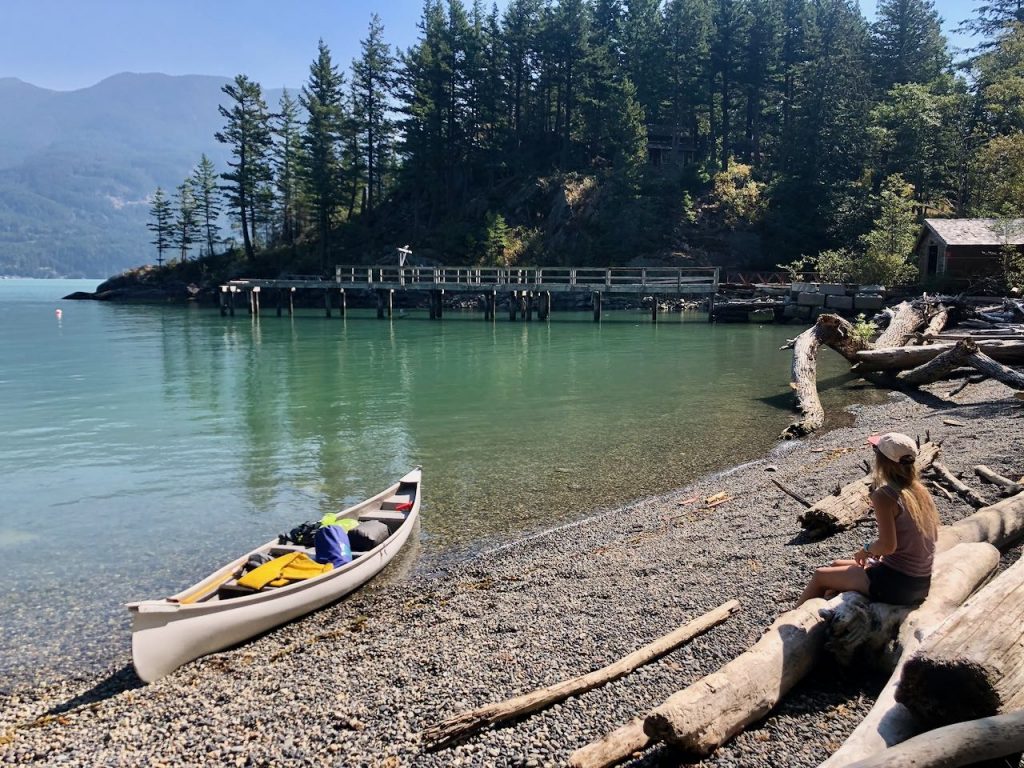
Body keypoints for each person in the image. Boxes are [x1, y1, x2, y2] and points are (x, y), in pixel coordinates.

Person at [797, 432, 939, 606]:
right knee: (836, 564)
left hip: (896, 585)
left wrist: (866, 550)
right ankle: (826, 616)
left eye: (875, 450)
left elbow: (887, 546)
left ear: (882, 460)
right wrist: (878, 559)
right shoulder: (920, 491)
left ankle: (789, 624)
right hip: (920, 582)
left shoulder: (885, 496)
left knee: (820, 575)